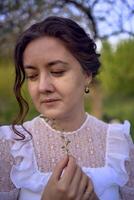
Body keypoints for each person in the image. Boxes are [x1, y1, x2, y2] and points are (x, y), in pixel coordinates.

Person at [0, 16, 134, 200]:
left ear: (86, 74)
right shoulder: (11, 145)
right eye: (32, 75)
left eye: (57, 72)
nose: (42, 87)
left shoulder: (119, 142)